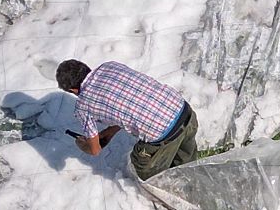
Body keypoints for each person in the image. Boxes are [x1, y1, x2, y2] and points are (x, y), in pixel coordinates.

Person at [56, 59, 198, 180]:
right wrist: (110, 131)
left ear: (73, 90)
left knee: (143, 164)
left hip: (165, 135)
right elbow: (128, 101)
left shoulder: (83, 106)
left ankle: (167, 193)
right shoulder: (109, 66)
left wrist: (83, 144)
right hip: (185, 112)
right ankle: (190, 179)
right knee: (186, 163)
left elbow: (95, 150)